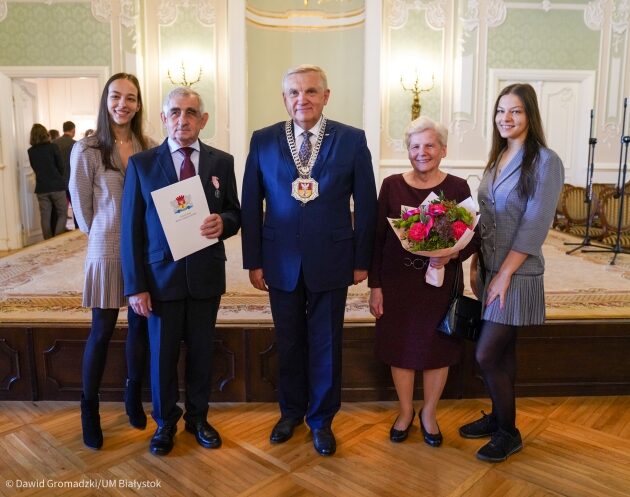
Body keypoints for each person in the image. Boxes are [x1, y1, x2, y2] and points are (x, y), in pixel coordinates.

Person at [241, 64, 377, 456]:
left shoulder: (351, 140)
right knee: (288, 342)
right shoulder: (263, 140)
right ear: (285, 99)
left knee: (326, 343)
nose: (303, 99)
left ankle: (321, 420)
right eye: (295, 93)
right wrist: (254, 260)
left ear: (326, 96)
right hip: (279, 260)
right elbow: (252, 204)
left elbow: (365, 205)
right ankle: (290, 413)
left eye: (311, 92)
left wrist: (361, 259)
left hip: (333, 258)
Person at [121, 86, 241, 456]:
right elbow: (130, 231)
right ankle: (165, 424)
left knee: (203, 353)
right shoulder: (143, 164)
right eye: (175, 112)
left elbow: (235, 213)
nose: (182, 120)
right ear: (163, 118)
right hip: (160, 280)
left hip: (206, 276)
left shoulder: (221, 161)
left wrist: (223, 221)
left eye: (191, 113)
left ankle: (199, 418)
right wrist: (136, 286)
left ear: (203, 120)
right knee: (162, 356)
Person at [459, 83, 564, 462]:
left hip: (516, 274)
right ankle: (500, 417)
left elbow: (535, 223)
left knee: (487, 355)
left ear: (530, 115)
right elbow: (486, 217)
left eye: (515, 111)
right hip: (490, 269)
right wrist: (477, 262)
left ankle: (509, 432)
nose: (506, 117)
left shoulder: (545, 161)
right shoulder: (498, 157)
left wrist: (503, 274)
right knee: (503, 353)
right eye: (501, 111)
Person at [368, 116, 479, 447]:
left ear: (443, 149)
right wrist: (376, 286)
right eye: (415, 146)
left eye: (430, 145)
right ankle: (405, 412)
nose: (422, 152)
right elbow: (377, 240)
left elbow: (473, 236)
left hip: (440, 283)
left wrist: (452, 254)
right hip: (397, 281)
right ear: (408, 151)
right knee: (400, 348)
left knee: (437, 349)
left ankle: (429, 413)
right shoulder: (391, 185)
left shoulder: (457, 187)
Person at [69, 73, 155, 449]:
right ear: (106, 101)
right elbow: (84, 210)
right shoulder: (87, 149)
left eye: (131, 98)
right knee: (101, 331)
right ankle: (89, 409)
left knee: (139, 328)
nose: (124, 104)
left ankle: (132, 396)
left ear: (138, 104)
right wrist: (107, 232)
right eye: (117, 96)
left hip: (143, 251)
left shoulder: (147, 146)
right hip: (105, 248)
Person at [27, 123, 67, 239]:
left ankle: (47, 241)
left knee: (45, 216)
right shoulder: (53, 147)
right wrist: (58, 176)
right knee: (62, 213)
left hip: (41, 188)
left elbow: (34, 167)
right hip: (56, 186)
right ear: (45, 134)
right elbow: (61, 165)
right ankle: (58, 239)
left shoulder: (31, 151)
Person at [54, 121, 78, 229]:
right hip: (72, 180)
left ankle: (60, 231)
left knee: (60, 210)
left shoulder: (54, 143)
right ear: (73, 129)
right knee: (76, 207)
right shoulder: (75, 144)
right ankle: (78, 228)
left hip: (58, 181)